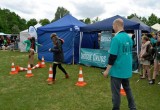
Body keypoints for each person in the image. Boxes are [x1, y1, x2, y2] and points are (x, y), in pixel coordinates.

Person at [103, 18, 136, 110]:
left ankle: (116, 108)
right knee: (128, 89)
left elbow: (112, 57)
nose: (113, 28)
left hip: (117, 71)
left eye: (113, 26)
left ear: (116, 26)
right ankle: (133, 107)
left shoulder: (116, 38)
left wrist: (106, 71)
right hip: (126, 70)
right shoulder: (129, 38)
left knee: (116, 92)